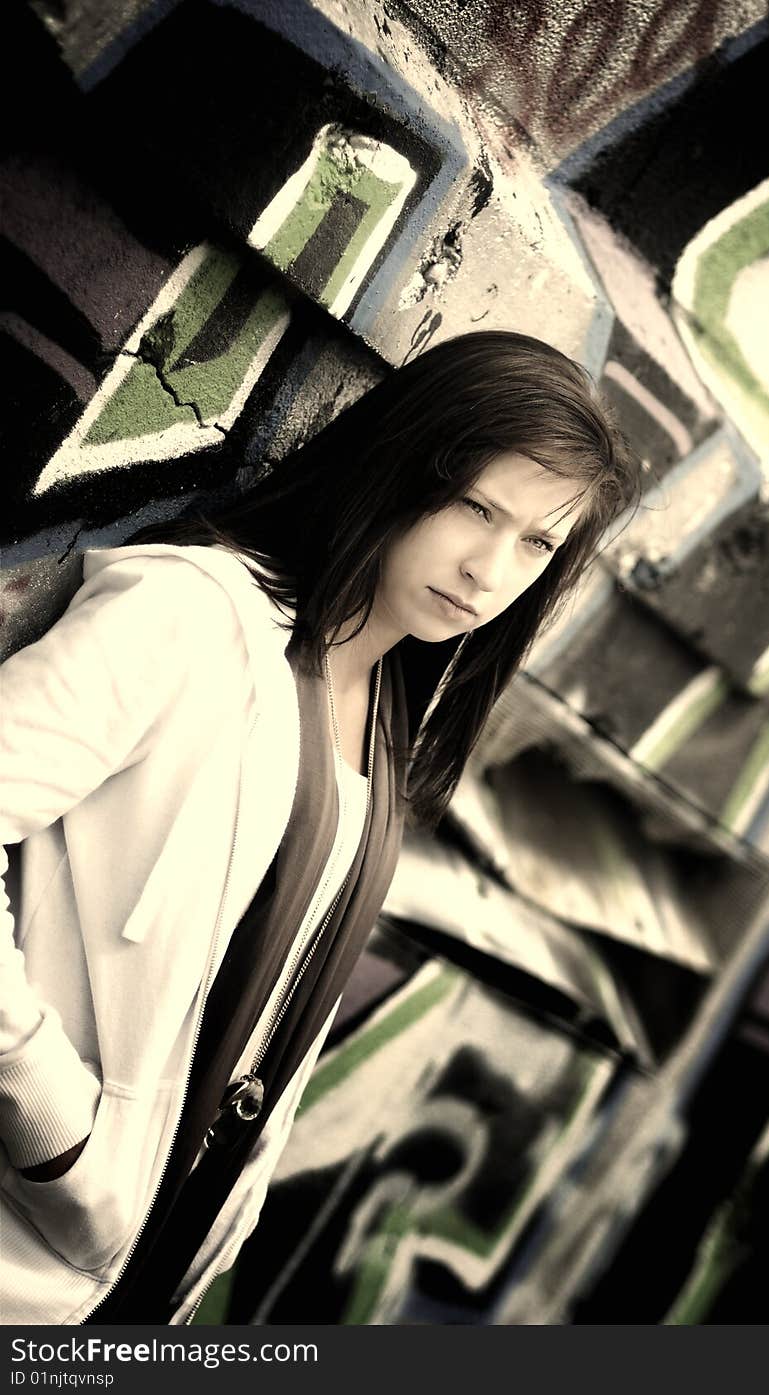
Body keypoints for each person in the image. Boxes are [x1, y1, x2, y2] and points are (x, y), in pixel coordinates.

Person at [0, 330, 640, 1324]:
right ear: (400, 463)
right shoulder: (196, 619)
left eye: (536, 543)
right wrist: (50, 1118)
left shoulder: (383, 731)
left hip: (124, 1297)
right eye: (475, 506)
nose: (487, 568)